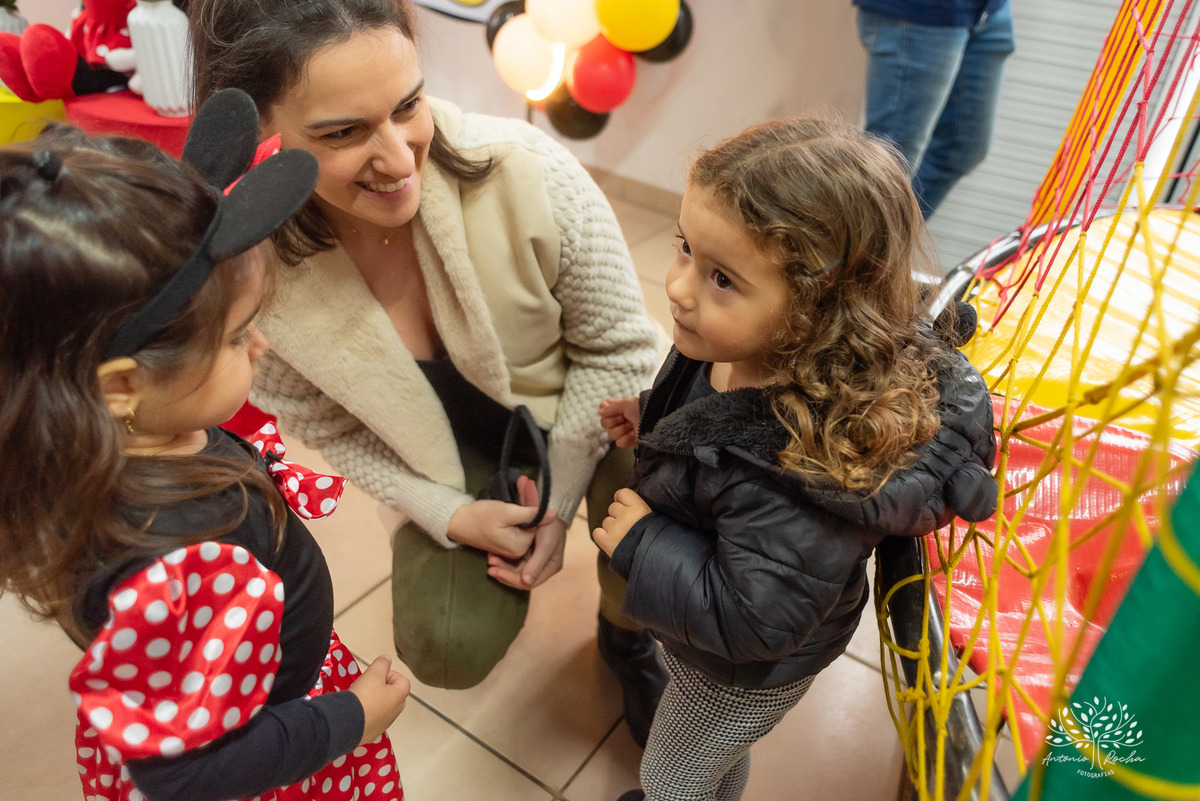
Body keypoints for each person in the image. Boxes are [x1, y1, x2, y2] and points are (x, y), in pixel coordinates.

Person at [187, 0, 666, 744]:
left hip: (591, 415)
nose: (400, 156)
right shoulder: (256, 282)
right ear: (258, 130)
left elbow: (622, 354)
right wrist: (446, 512)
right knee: (445, 644)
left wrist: (561, 498)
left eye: (408, 104)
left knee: (670, 499)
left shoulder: (529, 169)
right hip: (452, 463)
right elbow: (332, 429)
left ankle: (627, 631)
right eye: (343, 132)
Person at [0, 90, 411, 801]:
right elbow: (193, 770)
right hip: (263, 739)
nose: (260, 342)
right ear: (122, 385)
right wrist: (349, 717)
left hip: (221, 690)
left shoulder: (109, 443)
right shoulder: (174, 560)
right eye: (233, 336)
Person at [594, 118, 999, 801]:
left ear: (818, 311)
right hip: (707, 641)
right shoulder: (729, 344)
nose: (680, 288)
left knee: (670, 772)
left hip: (738, 669)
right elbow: (707, 422)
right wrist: (653, 412)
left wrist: (643, 543)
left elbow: (756, 618)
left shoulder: (803, 464)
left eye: (721, 276)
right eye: (685, 247)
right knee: (713, 759)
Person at [854, 0, 1015, 218]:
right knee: (889, 162)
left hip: (988, 10)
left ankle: (885, 244)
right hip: (922, 12)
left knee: (961, 149)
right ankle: (856, 249)